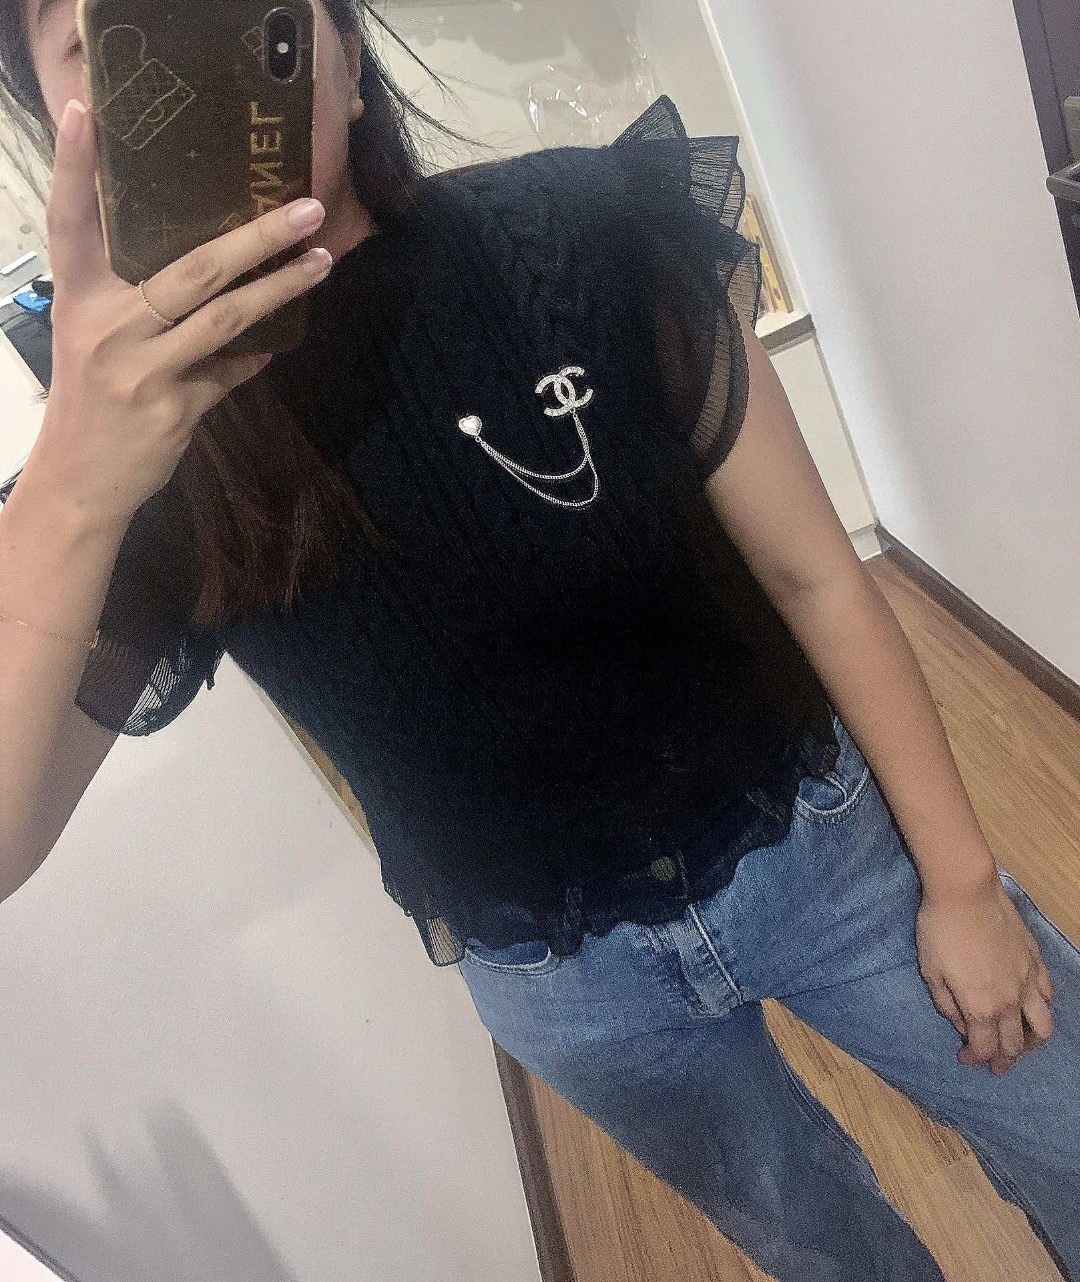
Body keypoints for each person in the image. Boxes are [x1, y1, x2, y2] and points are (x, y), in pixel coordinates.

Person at [0, 3, 1077, 1278]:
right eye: (113, 42)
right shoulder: (127, 471)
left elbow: (816, 575)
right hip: (568, 989)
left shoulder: (581, 233)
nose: (202, 62)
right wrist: (70, 484)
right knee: (824, 1249)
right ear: (64, 132)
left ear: (345, 51)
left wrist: (963, 883)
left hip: (820, 854)